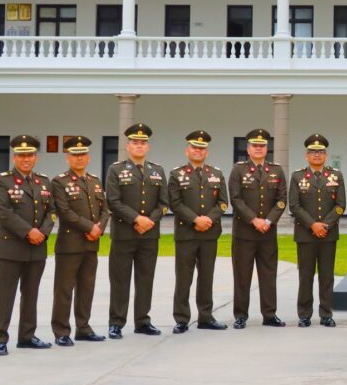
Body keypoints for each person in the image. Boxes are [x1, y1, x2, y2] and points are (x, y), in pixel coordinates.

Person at [0, 135, 55, 356]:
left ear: (36, 157)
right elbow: (3, 213)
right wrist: (29, 232)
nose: (26, 159)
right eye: (21, 155)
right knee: (4, 295)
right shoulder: (1, 181)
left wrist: (42, 233)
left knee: (31, 294)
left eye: (30, 155)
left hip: (37, 248)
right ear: (15, 157)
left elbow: (51, 212)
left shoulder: (43, 181)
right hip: (11, 248)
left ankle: (27, 336)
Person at [105, 123, 169, 339]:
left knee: (145, 279)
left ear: (148, 146)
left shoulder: (157, 170)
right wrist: (136, 219)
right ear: (128, 145)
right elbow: (113, 201)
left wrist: (149, 220)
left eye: (143, 143)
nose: (139, 146)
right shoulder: (116, 170)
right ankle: (116, 322)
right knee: (120, 280)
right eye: (135, 142)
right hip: (124, 234)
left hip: (149, 235)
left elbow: (164, 203)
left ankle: (142, 321)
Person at [50, 135, 109, 346]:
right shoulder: (59, 182)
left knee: (86, 288)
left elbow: (105, 209)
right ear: (67, 157)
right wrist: (90, 227)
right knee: (64, 290)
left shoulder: (94, 181)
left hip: (91, 243)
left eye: (83, 154)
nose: (79, 158)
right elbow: (64, 212)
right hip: (70, 245)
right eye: (75, 155)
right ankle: (61, 331)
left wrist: (99, 229)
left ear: (88, 157)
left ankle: (83, 328)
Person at [168, 130, 229, 334]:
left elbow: (222, 203)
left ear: (207, 152)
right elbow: (175, 203)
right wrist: (195, 219)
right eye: (194, 147)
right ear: (187, 150)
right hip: (186, 234)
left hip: (209, 234)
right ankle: (182, 318)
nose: (198, 151)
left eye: (202, 148)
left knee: (206, 277)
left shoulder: (216, 174)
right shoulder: (177, 174)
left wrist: (208, 219)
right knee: (184, 278)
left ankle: (205, 316)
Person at [228, 128, 287, 329]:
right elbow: (235, 199)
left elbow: (281, 201)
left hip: (268, 233)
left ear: (267, 148)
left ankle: (270, 314)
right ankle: (240, 315)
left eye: (262, 146)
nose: (259, 149)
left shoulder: (277, 170)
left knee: (269, 275)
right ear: (248, 148)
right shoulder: (238, 170)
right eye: (255, 145)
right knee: (242, 275)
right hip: (245, 232)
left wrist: (268, 221)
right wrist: (254, 220)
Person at [288, 133, 345, 328]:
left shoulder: (336, 175)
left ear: (326, 155)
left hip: (328, 234)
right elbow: (294, 206)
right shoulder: (297, 176)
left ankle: (326, 314)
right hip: (305, 234)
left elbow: (340, 205)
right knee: (306, 275)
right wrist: (313, 225)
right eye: (313, 152)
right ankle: (304, 314)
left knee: (327, 275)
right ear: (306, 155)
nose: (317, 155)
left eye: (320, 152)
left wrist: (325, 225)